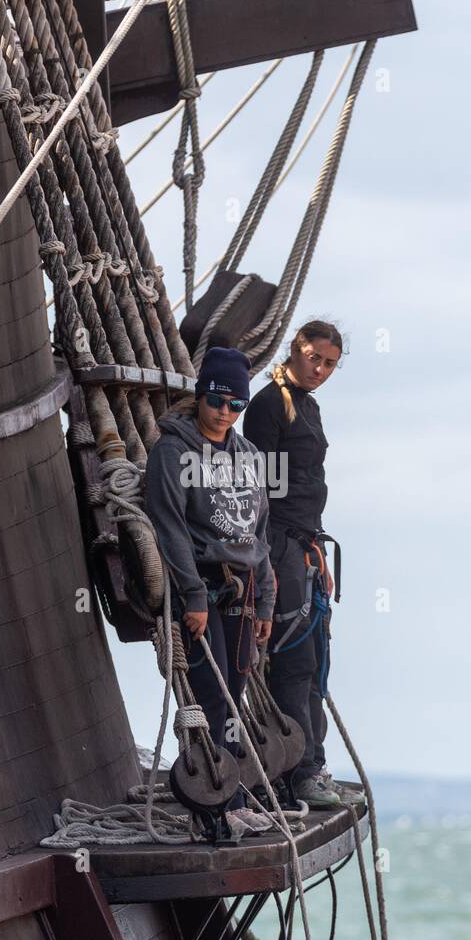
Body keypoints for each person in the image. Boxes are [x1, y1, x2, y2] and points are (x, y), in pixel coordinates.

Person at [145, 347, 276, 836]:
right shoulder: (173, 452)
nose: (225, 412)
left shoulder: (248, 457)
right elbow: (169, 527)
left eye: (235, 406)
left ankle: (232, 794)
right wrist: (193, 597)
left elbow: (258, 535)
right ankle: (210, 807)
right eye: (217, 401)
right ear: (202, 396)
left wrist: (264, 599)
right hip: (200, 591)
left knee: (235, 692)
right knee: (210, 697)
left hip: (243, 595)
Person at [244, 321, 363, 808]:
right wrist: (271, 560)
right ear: (295, 350)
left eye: (330, 363)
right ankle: (296, 774)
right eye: (314, 357)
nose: (320, 369)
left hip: (303, 545)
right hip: (279, 545)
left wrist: (313, 547)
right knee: (293, 661)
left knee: (316, 662)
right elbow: (259, 490)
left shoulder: (308, 405)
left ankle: (312, 765)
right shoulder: (270, 404)